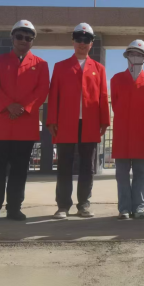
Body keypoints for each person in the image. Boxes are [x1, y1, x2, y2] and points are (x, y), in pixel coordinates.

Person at [0, 20, 50, 222]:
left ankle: (14, 208)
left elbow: (42, 90)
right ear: (12, 37)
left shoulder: (41, 64)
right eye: (19, 36)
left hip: (24, 126)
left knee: (19, 171)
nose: (23, 40)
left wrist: (23, 107)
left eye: (28, 38)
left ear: (32, 41)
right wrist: (8, 105)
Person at [47, 23, 110, 219]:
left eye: (86, 40)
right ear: (73, 41)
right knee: (64, 164)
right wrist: (52, 120)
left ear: (91, 43)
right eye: (78, 39)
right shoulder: (60, 67)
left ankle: (83, 204)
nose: (82, 43)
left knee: (87, 166)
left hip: (90, 123)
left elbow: (103, 96)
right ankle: (63, 206)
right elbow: (53, 95)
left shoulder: (99, 69)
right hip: (66, 122)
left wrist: (104, 121)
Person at [110, 40, 144, 220]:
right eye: (132, 53)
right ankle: (124, 208)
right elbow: (115, 105)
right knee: (121, 174)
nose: (135, 57)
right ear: (126, 56)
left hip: (142, 135)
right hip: (122, 134)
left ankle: (139, 208)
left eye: (139, 54)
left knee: (141, 174)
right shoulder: (116, 79)